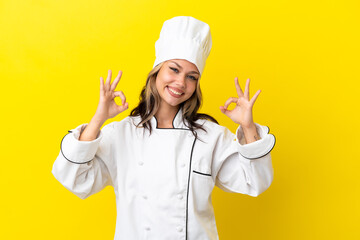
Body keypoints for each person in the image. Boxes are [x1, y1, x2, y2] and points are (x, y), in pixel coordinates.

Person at [52, 16, 276, 240]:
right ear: (157, 70)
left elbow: (254, 182)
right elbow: (75, 179)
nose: (181, 83)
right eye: (174, 69)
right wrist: (98, 120)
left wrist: (248, 127)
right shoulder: (122, 134)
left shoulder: (210, 137)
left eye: (191, 77)